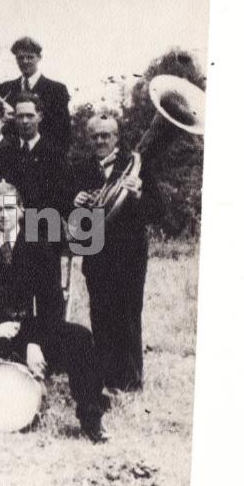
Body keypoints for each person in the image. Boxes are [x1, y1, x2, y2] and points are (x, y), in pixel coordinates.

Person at [0, 181, 107, 442]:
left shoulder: (39, 244)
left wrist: (35, 341)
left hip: (29, 328)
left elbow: (53, 303)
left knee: (79, 337)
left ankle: (91, 418)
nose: (4, 214)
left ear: (21, 209)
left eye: (9, 208)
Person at [73, 114, 161, 392]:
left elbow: (158, 210)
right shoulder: (81, 168)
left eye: (106, 135)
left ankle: (132, 380)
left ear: (116, 138)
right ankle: (106, 377)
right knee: (100, 314)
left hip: (129, 256)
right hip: (96, 255)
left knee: (128, 315)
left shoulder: (136, 167)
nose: (100, 140)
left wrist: (138, 194)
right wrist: (76, 201)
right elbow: (72, 217)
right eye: (96, 136)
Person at [0, 92, 73, 217]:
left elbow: (61, 198)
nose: (25, 121)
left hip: (44, 227)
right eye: (20, 116)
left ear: (40, 117)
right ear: (15, 118)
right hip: (11, 225)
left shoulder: (55, 153)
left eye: (30, 116)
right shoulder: (4, 152)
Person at [0, 37, 71, 152]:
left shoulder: (56, 90)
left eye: (30, 57)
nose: (25, 61)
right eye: (20, 58)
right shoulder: (6, 88)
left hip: (46, 157)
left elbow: (63, 131)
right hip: (11, 156)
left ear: (39, 58)